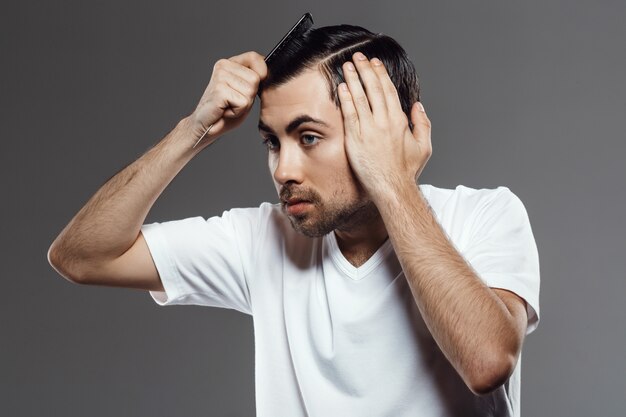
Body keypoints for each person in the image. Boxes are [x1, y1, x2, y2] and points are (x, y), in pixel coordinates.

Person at [48, 24, 540, 417]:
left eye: (307, 137)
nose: (283, 170)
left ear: (385, 129)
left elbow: (487, 363)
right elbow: (82, 256)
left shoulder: (483, 215)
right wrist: (193, 131)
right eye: (272, 142)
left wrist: (393, 181)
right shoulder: (262, 241)